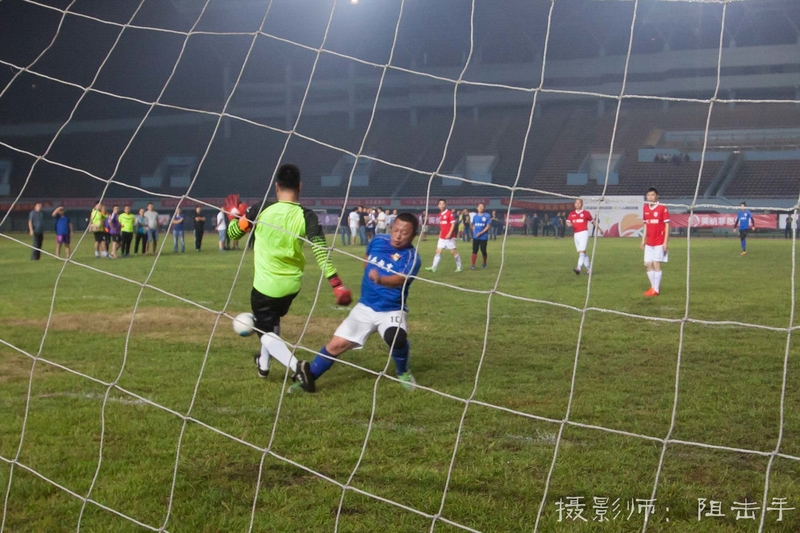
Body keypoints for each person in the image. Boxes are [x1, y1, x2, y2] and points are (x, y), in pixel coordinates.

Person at [227, 164, 352, 390]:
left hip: (265, 287)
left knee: (264, 330)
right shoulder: (307, 215)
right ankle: (263, 365)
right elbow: (321, 251)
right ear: (300, 187)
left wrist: (235, 217)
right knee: (272, 321)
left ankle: (297, 367)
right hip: (291, 287)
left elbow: (233, 234)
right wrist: (337, 284)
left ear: (276, 186)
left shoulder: (261, 209)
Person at [288, 213, 421, 393]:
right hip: (364, 307)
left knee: (395, 337)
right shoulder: (378, 240)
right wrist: (371, 278)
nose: (398, 236)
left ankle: (403, 371)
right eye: (396, 230)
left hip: (392, 310)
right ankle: (307, 379)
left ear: (413, 236)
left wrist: (380, 280)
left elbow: (400, 280)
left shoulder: (412, 258)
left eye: (404, 233)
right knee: (336, 345)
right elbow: (366, 259)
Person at [641, 187, 669, 297]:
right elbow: (645, 224)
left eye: (653, 195)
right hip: (649, 241)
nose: (650, 197)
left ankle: (656, 290)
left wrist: (665, 242)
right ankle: (653, 287)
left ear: (657, 196)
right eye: (649, 195)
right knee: (647, 264)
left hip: (659, 241)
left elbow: (667, 225)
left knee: (656, 263)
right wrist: (643, 240)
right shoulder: (645, 207)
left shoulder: (662, 207)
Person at [425, 199, 462, 273]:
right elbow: (442, 226)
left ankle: (459, 267)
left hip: (449, 237)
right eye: (440, 204)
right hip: (442, 237)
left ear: (445, 205)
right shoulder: (440, 214)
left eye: (443, 204)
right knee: (438, 251)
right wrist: (440, 233)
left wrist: (449, 233)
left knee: (453, 252)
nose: (442, 205)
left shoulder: (449, 213)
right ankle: (434, 267)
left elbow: (453, 224)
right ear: (438, 205)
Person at [566, 199, 596, 275]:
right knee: (582, 253)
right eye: (576, 203)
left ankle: (578, 268)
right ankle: (590, 270)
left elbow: (592, 221)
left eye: (579, 203)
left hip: (583, 233)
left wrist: (599, 228)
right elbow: (568, 221)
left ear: (582, 204)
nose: (578, 204)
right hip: (576, 234)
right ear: (574, 204)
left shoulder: (586, 213)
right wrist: (569, 224)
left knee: (582, 252)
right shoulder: (572, 214)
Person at [471, 203, 491, 269]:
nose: (480, 208)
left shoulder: (487, 216)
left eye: (482, 206)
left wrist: (481, 233)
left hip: (483, 237)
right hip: (476, 236)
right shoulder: (475, 216)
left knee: (483, 250)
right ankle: (473, 265)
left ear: (484, 208)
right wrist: (474, 232)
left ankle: (484, 263)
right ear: (477, 208)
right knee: (474, 250)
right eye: (479, 206)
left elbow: (488, 226)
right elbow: (473, 225)